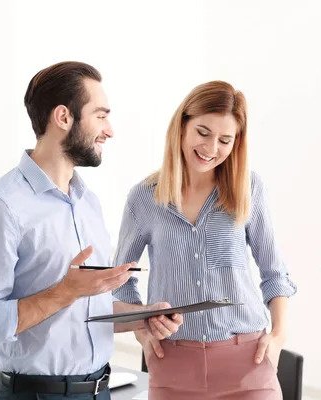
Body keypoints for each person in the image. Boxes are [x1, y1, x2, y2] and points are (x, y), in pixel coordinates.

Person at [0, 61, 183, 400]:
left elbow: (88, 312)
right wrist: (65, 291)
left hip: (99, 391)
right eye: (101, 115)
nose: (110, 130)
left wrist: (144, 317)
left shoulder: (87, 202)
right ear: (63, 117)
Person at [112, 81, 297, 400]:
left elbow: (274, 274)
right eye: (203, 132)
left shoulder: (248, 188)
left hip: (248, 363)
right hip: (173, 363)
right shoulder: (144, 198)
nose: (212, 148)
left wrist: (278, 335)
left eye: (225, 140)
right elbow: (121, 280)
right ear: (182, 125)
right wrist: (142, 330)